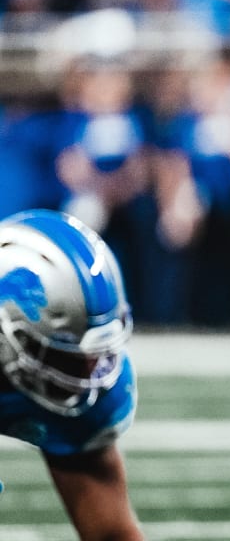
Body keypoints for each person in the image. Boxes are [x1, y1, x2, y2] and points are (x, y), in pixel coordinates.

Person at [0, 209, 142, 540]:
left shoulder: (87, 384)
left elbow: (111, 534)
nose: (92, 371)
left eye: (95, 354)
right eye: (68, 355)